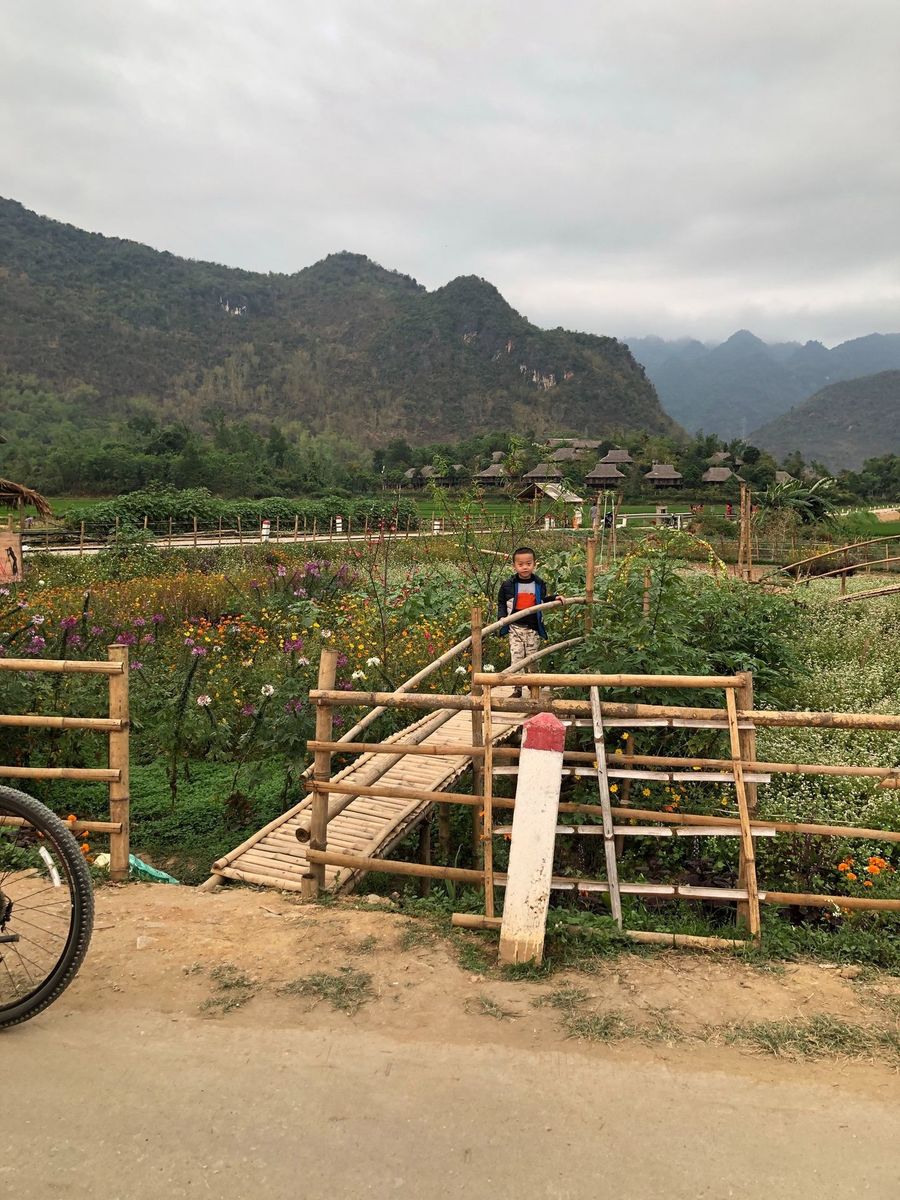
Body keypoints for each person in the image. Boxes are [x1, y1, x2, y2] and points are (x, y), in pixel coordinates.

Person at [497, 546, 565, 695]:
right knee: (517, 658)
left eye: (528, 563)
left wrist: (554, 598)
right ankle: (517, 688)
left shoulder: (539, 583)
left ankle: (533, 684)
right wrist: (501, 617)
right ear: (514, 566)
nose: (525, 567)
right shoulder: (508, 585)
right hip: (515, 627)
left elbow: (542, 600)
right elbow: (501, 602)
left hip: (533, 628)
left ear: (535, 564)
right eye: (520, 564)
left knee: (533, 658)